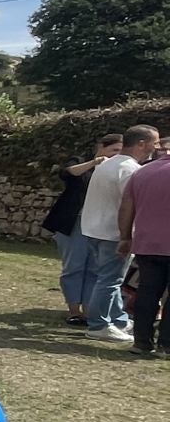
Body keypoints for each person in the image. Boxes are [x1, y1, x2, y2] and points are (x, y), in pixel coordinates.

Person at [80, 126, 161, 343]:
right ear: (141, 144)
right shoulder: (130, 169)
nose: (158, 147)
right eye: (155, 142)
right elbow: (131, 204)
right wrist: (129, 235)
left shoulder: (108, 164)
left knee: (107, 278)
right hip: (113, 233)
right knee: (110, 280)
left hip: (93, 229)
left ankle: (119, 319)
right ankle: (99, 325)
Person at [42, 135, 123, 326]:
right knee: (74, 266)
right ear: (101, 147)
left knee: (95, 268)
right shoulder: (80, 161)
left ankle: (88, 311)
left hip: (99, 224)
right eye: (114, 150)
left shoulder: (118, 170)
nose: (117, 155)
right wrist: (95, 163)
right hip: (74, 223)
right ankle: (73, 310)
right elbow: (68, 173)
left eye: (120, 151)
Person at [118, 143, 170, 359]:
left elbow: (126, 207)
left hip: (147, 242)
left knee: (147, 292)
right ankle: (166, 345)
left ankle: (141, 341)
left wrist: (125, 237)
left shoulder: (143, 171)